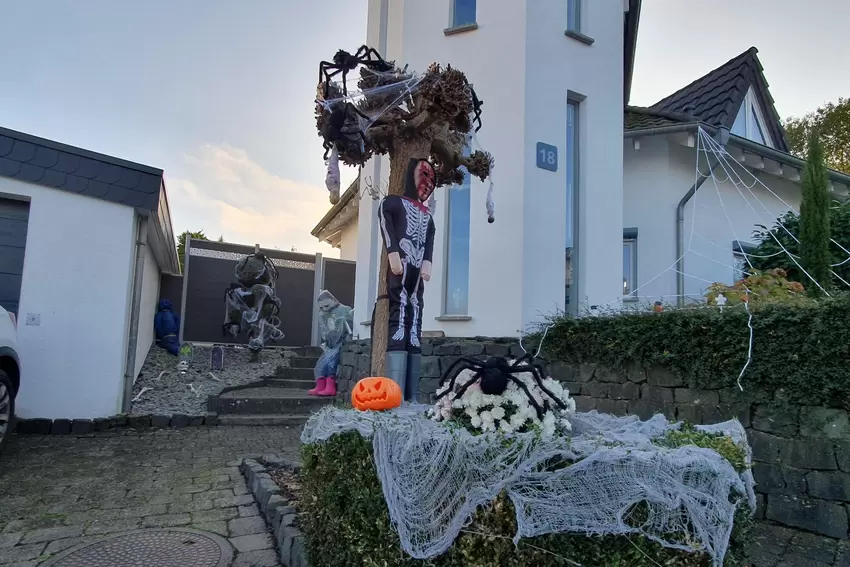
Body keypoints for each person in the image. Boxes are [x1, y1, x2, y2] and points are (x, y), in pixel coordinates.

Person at [308, 290, 353, 396]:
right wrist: (328, 338)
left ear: (333, 300)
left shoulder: (345, 310)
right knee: (321, 364)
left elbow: (348, 325)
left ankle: (330, 387)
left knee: (331, 362)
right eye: (322, 307)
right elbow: (324, 330)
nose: (325, 309)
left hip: (342, 342)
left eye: (326, 306)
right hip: (330, 343)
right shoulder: (322, 314)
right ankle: (320, 386)